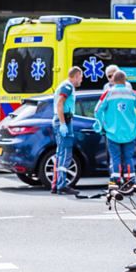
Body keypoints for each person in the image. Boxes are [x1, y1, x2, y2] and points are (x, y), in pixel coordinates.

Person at [95, 70, 136, 185]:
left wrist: (102, 124)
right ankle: (130, 180)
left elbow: (97, 110)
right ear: (125, 80)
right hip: (129, 132)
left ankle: (116, 180)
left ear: (113, 80)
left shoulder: (108, 94)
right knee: (129, 158)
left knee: (115, 158)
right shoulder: (132, 93)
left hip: (112, 133)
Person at [51, 66, 83, 195]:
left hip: (61, 120)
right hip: (63, 121)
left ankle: (56, 184)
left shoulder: (64, 85)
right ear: (76, 75)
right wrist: (63, 124)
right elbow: (60, 104)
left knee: (60, 154)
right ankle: (62, 185)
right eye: (81, 77)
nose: (81, 80)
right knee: (65, 154)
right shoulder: (68, 87)